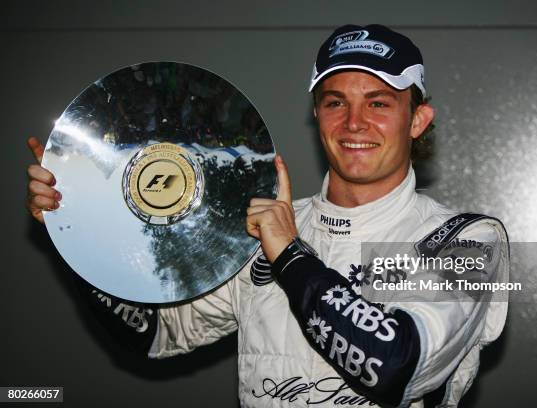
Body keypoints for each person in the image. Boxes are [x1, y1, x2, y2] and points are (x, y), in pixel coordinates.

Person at [26, 24, 509, 408]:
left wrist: (290, 256)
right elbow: (154, 332)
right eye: (334, 102)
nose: (354, 123)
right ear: (317, 116)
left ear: (418, 120)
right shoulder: (262, 229)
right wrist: (77, 234)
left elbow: (397, 364)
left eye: (379, 103)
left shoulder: (468, 239)